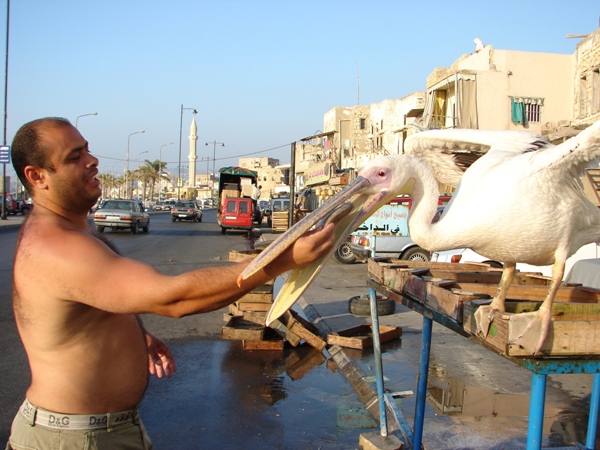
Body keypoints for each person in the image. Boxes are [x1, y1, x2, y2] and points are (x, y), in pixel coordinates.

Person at [6, 117, 337, 450]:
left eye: (87, 150)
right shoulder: (58, 247)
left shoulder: (70, 232)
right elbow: (172, 299)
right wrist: (282, 260)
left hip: (98, 432)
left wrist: (134, 337)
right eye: (74, 157)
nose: (92, 160)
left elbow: (87, 305)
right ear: (37, 176)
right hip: (74, 439)